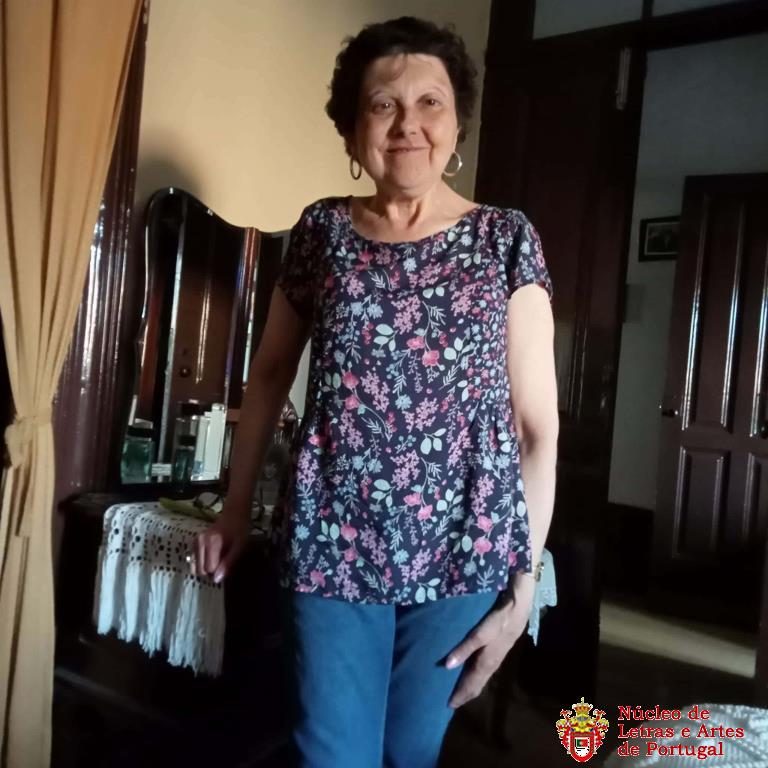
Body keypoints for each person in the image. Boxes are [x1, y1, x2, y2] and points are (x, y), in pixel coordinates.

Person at [191, 16, 558, 768]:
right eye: (383, 104)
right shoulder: (322, 230)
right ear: (352, 129)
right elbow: (270, 374)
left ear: (457, 124)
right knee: (331, 753)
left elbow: (535, 429)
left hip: (463, 548)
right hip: (331, 540)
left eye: (430, 102)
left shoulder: (505, 239)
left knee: (409, 752)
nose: (407, 124)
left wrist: (523, 586)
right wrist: (234, 506)